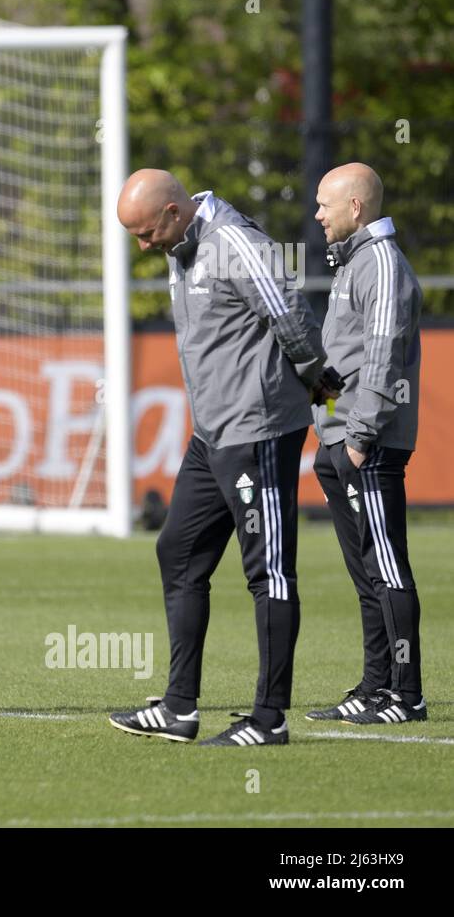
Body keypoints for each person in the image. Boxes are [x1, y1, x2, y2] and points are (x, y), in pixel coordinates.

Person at [109, 169, 334, 746]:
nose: (143, 246)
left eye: (145, 233)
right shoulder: (181, 243)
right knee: (178, 552)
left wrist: (315, 378)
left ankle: (270, 718)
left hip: (256, 432)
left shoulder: (233, 242)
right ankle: (180, 708)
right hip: (212, 435)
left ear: (173, 213)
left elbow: (287, 311)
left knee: (269, 572)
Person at [306, 163, 425, 724]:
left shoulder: (381, 262)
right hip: (342, 438)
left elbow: (381, 355)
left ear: (356, 207)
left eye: (325, 205)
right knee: (367, 574)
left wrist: (356, 436)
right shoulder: (357, 262)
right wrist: (326, 428)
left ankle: (407, 695)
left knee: (388, 567)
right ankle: (375, 685)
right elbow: (343, 357)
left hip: (368, 445)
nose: (317, 215)